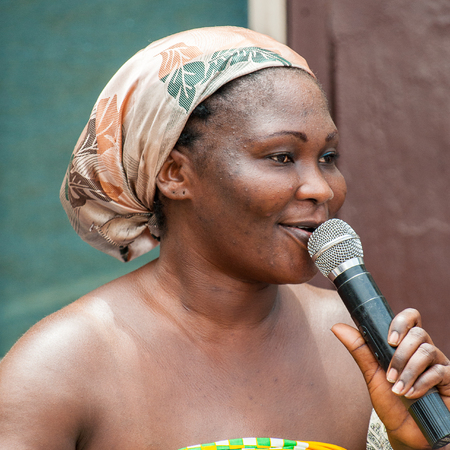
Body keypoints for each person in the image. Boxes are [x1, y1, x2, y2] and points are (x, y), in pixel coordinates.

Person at [0, 26, 449, 450]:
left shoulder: (362, 345)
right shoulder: (61, 367)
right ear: (174, 174)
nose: (321, 188)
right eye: (281, 156)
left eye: (327, 156)